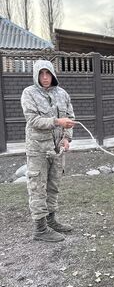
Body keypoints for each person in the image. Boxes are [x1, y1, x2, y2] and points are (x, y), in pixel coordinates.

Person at [21, 60, 75, 242]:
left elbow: (71, 117)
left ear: (53, 74)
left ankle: (51, 220)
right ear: (36, 75)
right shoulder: (29, 93)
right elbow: (33, 120)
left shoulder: (62, 93)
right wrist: (57, 122)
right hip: (38, 150)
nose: (45, 78)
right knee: (37, 187)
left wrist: (66, 138)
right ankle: (40, 229)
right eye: (41, 74)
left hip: (57, 149)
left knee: (54, 185)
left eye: (48, 73)